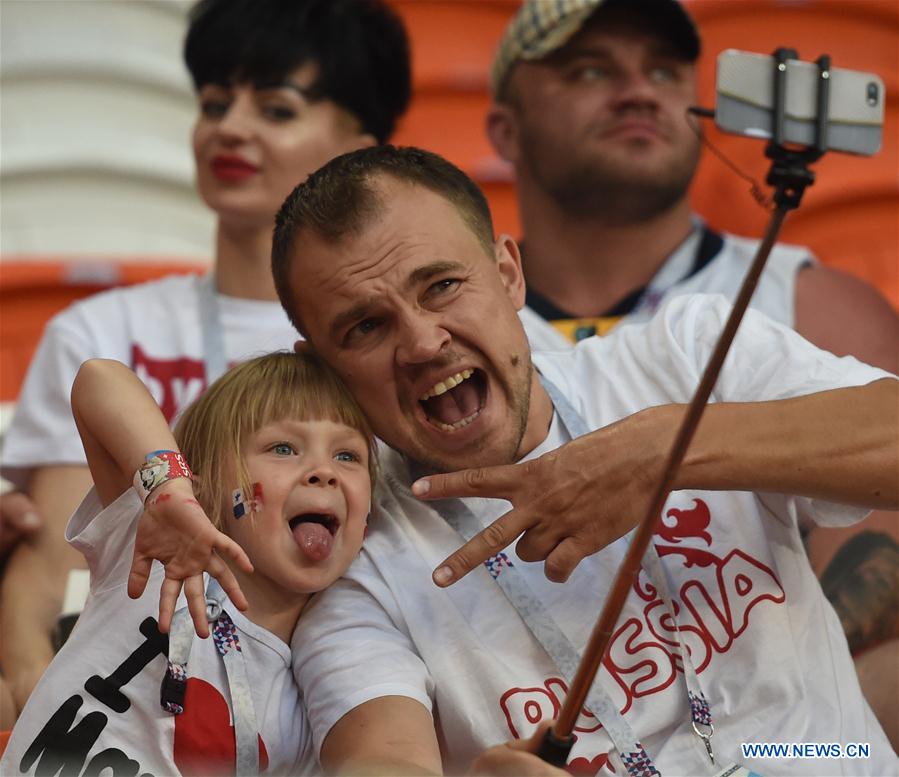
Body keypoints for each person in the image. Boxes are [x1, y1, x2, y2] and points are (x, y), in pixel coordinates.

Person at [143, 145, 897, 775]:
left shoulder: (684, 354)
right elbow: (377, 756)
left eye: (441, 285)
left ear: (508, 272)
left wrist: (664, 449)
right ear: (325, 365)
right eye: (366, 326)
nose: (423, 342)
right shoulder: (355, 554)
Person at [484, 0, 899, 743]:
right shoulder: (437, 335)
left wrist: (667, 445)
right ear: (502, 129)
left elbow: (883, 592)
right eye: (589, 69)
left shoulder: (807, 296)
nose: (639, 90)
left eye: (665, 70)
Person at [0, 0, 411, 716]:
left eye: (276, 109)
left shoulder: (403, 343)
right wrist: (40, 705)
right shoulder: (101, 329)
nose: (229, 127)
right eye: (215, 102)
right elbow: (51, 581)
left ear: (361, 150)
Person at [0, 350, 378, 775]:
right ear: (209, 488)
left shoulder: (317, 702)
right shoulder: (154, 551)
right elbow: (98, 379)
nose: (323, 471)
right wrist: (167, 493)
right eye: (284, 448)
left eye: (348, 456)